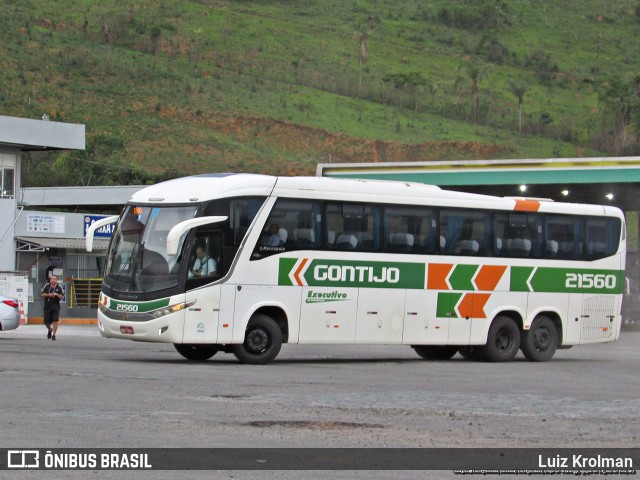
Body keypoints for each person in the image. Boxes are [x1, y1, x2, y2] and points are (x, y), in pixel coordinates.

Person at [40, 275, 64, 341]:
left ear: (56, 280)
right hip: (47, 306)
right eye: (52, 279)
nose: (53, 280)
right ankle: (50, 329)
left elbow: (62, 296)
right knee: (46, 322)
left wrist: (56, 294)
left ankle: (54, 335)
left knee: (55, 320)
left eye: (54, 279)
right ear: (50, 280)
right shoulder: (46, 286)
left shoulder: (59, 287)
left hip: (56, 307)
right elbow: (42, 294)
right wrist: (49, 294)